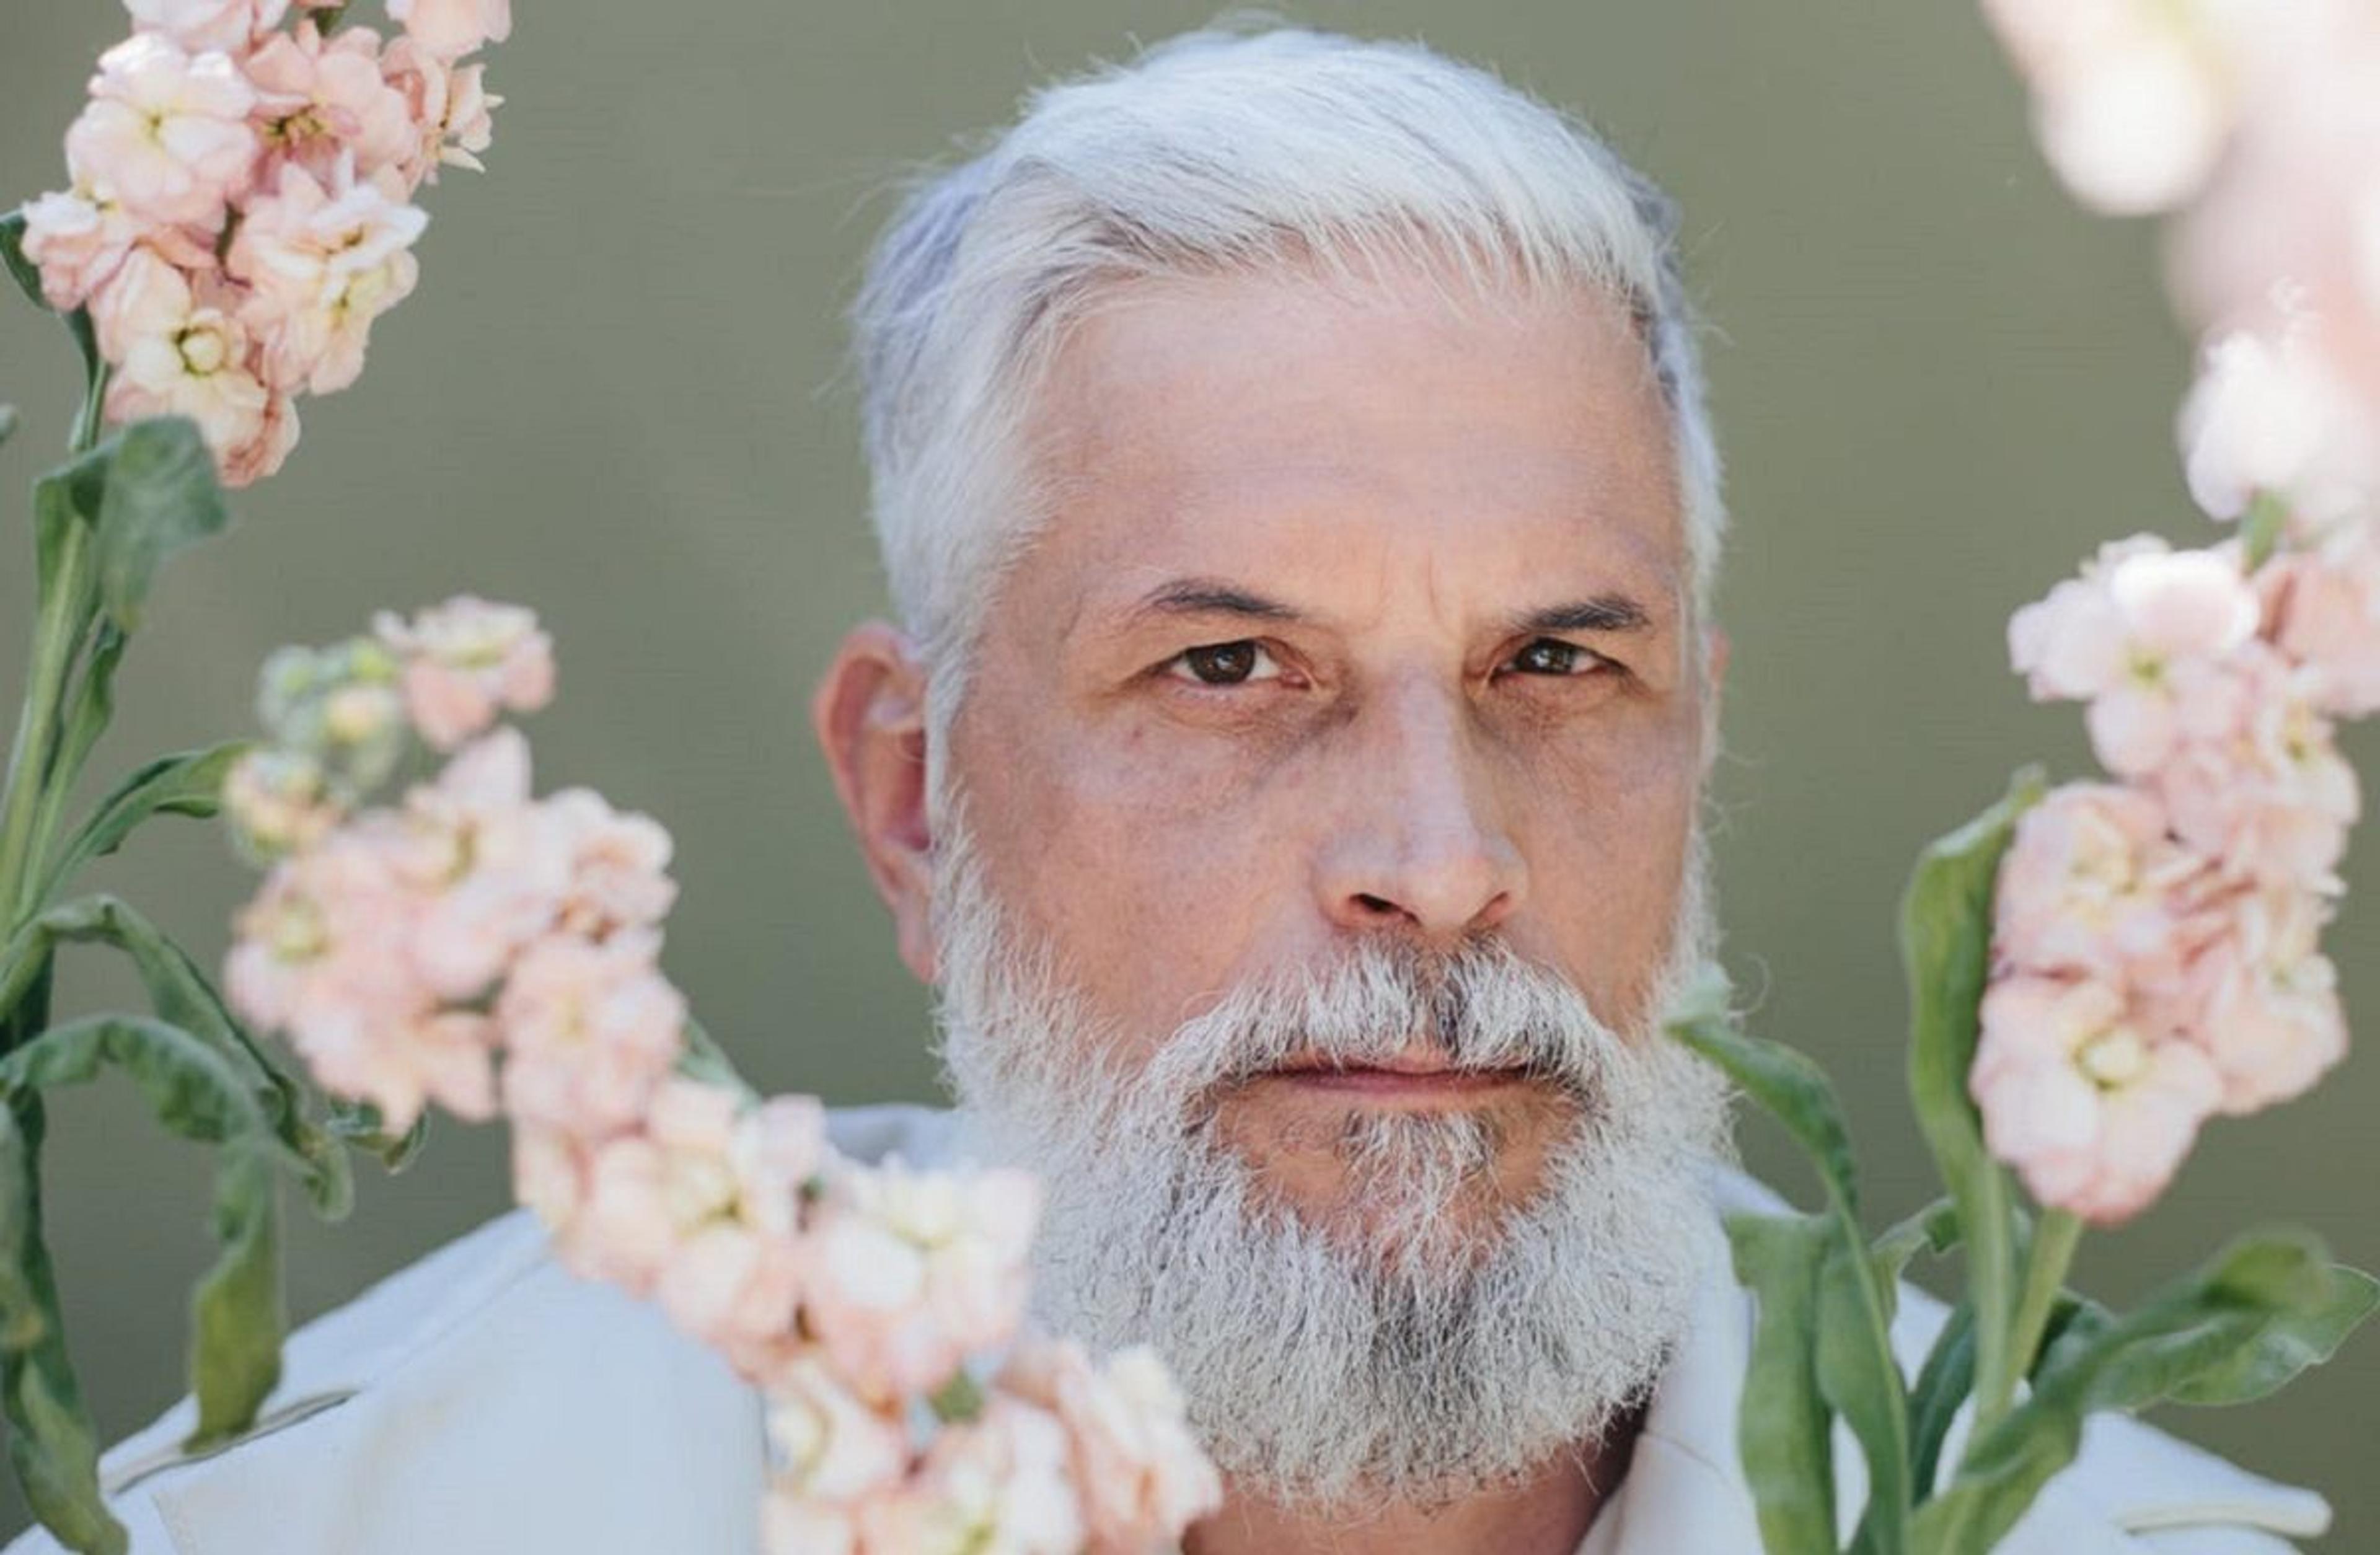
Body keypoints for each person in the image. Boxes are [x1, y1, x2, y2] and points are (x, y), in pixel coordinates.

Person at [4, 24, 2337, 1555]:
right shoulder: (358, 1522)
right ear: (913, 804)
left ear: (1696, 746)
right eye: (1229, 668)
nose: (1441, 863)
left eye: (1556, 664)